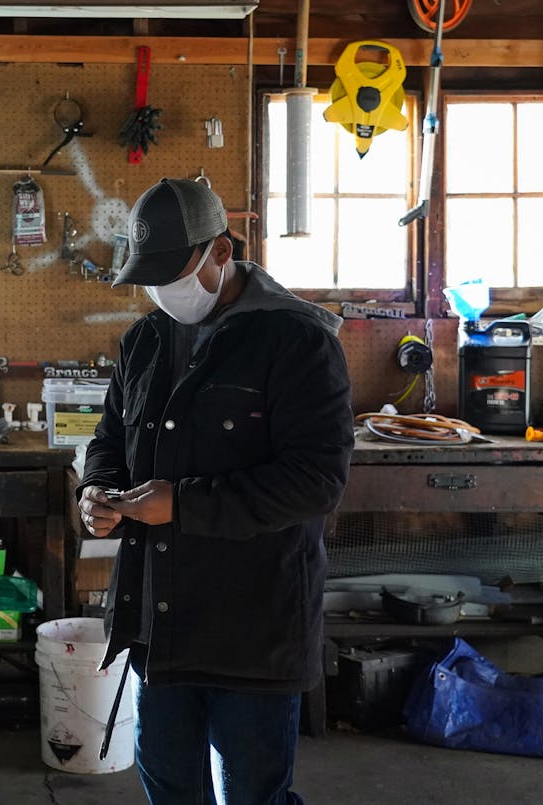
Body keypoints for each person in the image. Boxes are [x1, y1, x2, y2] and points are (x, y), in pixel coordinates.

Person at [78, 177, 353, 805]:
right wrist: (98, 489)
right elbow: (110, 437)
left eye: (173, 273)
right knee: (171, 785)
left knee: (254, 794)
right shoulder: (145, 341)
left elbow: (317, 481)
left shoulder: (298, 340)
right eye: (151, 276)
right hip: (161, 621)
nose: (161, 291)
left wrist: (183, 504)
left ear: (221, 253)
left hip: (254, 630)